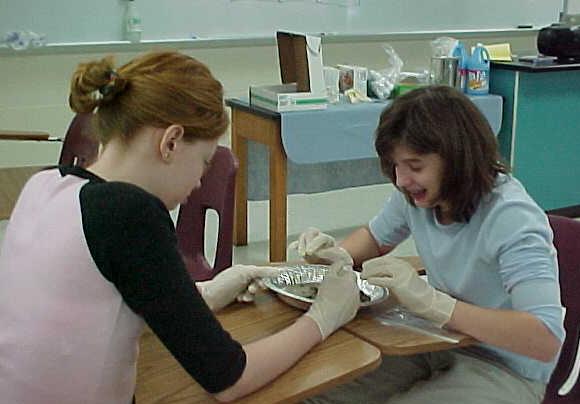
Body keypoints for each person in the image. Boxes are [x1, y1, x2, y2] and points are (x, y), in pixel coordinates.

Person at [0, 50, 361, 404]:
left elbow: (89, 308)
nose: (200, 182)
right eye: (204, 162)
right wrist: (324, 316)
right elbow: (229, 379)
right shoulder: (129, 212)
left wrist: (205, 295)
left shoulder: (44, 184)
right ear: (170, 142)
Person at [292, 85, 565, 404]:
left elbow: (544, 338)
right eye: (396, 166)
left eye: (415, 166)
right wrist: (335, 254)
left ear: (457, 158)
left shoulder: (511, 217)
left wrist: (436, 305)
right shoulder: (418, 196)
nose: (401, 180)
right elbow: (375, 238)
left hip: (503, 366)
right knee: (314, 391)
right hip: (436, 341)